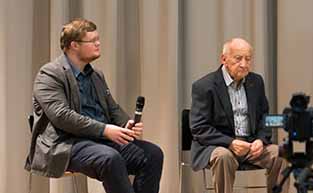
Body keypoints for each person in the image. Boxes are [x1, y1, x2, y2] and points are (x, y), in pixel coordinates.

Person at [25, 18, 163, 193]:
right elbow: (62, 116)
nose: (98, 44)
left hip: (100, 141)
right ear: (74, 45)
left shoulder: (96, 75)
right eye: (92, 41)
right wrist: (105, 130)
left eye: (98, 39)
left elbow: (112, 108)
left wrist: (126, 125)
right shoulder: (50, 74)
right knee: (109, 158)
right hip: (67, 143)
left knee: (152, 154)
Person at [190, 38, 287, 193]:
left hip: (250, 145)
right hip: (219, 146)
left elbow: (265, 118)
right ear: (224, 59)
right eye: (238, 58)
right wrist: (230, 143)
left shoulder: (256, 81)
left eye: (248, 59)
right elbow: (199, 128)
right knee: (223, 157)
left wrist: (261, 140)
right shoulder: (204, 86)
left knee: (282, 154)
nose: (244, 64)